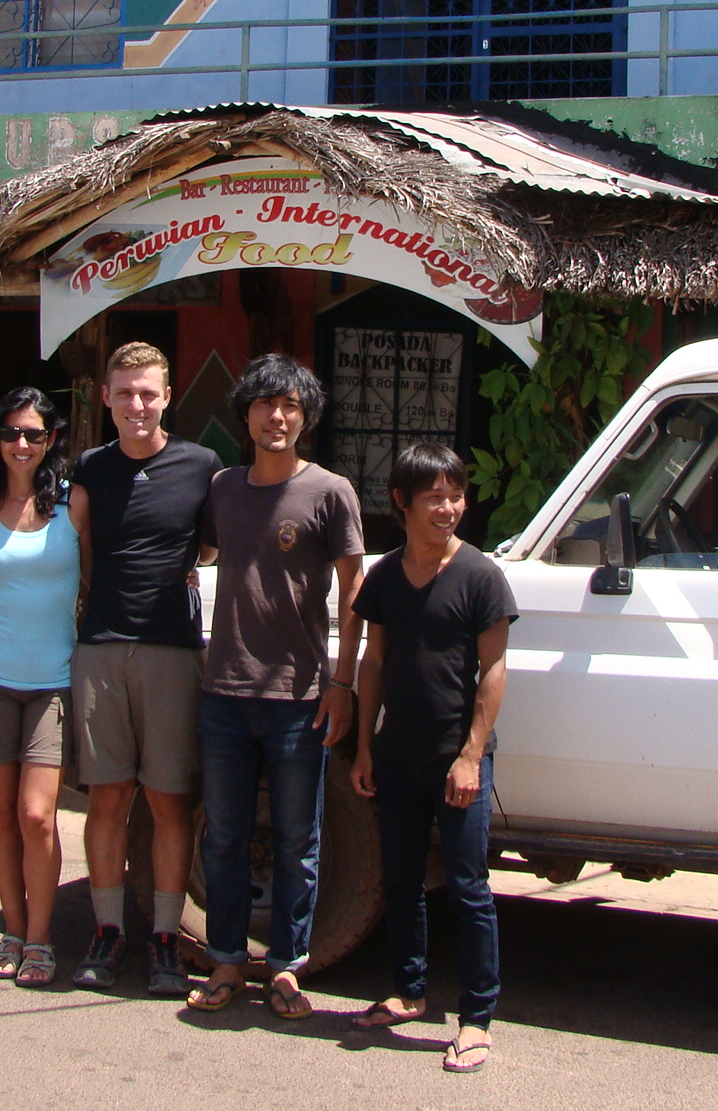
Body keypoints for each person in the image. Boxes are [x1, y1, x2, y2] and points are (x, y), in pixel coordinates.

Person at [186, 355, 364, 1020]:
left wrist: (342, 681)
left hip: (300, 699)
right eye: (265, 404)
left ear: (305, 416)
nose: (277, 416)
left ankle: (288, 968)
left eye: (290, 405)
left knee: (297, 840)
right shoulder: (223, 489)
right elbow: (201, 555)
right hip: (224, 694)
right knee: (225, 837)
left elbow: (354, 590)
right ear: (247, 415)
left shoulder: (330, 492)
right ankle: (227, 960)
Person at [350, 442, 516, 1072]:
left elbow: (494, 669)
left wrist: (471, 756)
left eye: (455, 496)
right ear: (402, 502)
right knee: (401, 881)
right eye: (434, 498)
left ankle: (477, 1018)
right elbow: (373, 662)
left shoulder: (480, 575)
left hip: (457, 760)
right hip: (397, 756)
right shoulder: (385, 577)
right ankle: (408, 991)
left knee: (469, 888)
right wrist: (364, 747)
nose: (448, 508)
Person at [68, 342, 221, 995]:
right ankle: (107, 933)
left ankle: (164, 938)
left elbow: (208, 549)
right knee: (106, 797)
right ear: (106, 397)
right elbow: (79, 550)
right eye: (125, 393)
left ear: (167, 397)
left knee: (168, 800)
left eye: (148, 393)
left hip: (171, 650)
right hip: (100, 647)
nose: (137, 404)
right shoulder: (89, 469)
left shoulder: (201, 466)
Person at [0, 386, 84, 989]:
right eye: (11, 433)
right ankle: (12, 931)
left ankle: (40, 937)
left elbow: (98, 577)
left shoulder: (74, 504)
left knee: (38, 816)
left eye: (34, 434)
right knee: (1, 814)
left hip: (52, 682)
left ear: (51, 439)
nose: (22, 444)